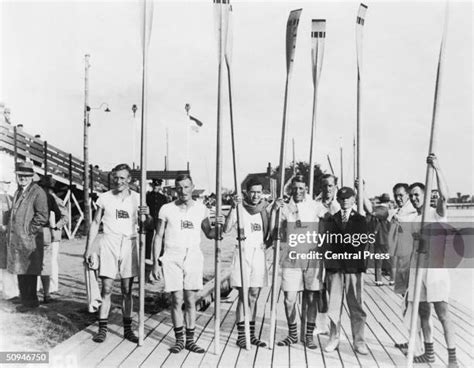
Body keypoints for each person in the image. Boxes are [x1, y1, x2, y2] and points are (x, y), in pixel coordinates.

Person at [152, 174, 223, 354]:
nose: (183, 191)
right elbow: (158, 236)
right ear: (175, 189)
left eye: (186, 187)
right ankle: (179, 340)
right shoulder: (166, 209)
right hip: (172, 255)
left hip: (192, 255)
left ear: (192, 187)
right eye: (179, 188)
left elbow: (210, 233)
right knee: (176, 299)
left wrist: (220, 226)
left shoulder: (201, 209)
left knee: (190, 300)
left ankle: (190, 340)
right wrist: (155, 263)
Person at [83, 163, 150, 343]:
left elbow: (148, 224)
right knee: (106, 288)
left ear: (129, 179)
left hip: (129, 242)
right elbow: (96, 223)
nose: (118, 181)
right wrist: (89, 248)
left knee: (127, 290)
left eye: (122, 178)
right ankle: (102, 328)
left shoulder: (138, 198)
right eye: (115, 177)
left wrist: (148, 215)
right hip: (109, 242)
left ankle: (128, 329)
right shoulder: (104, 198)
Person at [407, 154, 457, 367]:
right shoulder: (415, 218)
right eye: (412, 196)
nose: (414, 198)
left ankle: (452, 358)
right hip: (418, 269)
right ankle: (429, 353)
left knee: (443, 313)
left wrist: (437, 168)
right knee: (423, 312)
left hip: (436, 270)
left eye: (417, 194)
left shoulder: (436, 214)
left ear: (426, 194)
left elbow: (444, 197)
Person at [223, 178, 272, 349]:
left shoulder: (264, 209)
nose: (256, 195)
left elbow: (271, 234)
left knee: (254, 295)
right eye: (252, 191)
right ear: (246, 192)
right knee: (244, 295)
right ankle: (242, 336)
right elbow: (226, 229)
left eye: (259, 192)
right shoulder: (240, 208)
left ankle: (251, 334)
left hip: (258, 252)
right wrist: (232, 208)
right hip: (243, 251)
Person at [274, 175, 322, 349]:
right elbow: (274, 231)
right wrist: (274, 210)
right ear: (290, 189)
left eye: (301, 188)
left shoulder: (315, 206)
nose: (298, 191)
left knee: (311, 297)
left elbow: (333, 216)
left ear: (306, 189)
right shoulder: (285, 208)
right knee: (289, 299)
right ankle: (293, 335)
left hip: (311, 257)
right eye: (295, 188)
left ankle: (308, 335)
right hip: (292, 258)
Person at [321, 186, 369, 355]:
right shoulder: (332, 218)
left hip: (353, 268)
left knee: (356, 305)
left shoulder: (361, 220)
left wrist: (341, 243)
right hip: (335, 268)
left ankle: (359, 341)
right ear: (338, 200)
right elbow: (327, 243)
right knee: (334, 305)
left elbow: (360, 244)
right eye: (341, 198)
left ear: (354, 199)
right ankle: (334, 338)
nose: (345, 201)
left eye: (348, 198)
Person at [6, 162, 48, 311]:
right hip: (18, 240)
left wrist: (29, 231)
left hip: (30, 239)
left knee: (30, 271)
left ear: (31, 177)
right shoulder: (18, 192)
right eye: (20, 175)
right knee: (20, 269)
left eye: (26, 176)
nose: (22, 178)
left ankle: (31, 302)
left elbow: (42, 216)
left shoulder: (38, 192)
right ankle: (25, 300)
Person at [389, 183, 425, 356]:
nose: (399, 198)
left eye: (402, 195)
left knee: (413, 306)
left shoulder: (413, 214)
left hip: (411, 265)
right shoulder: (399, 212)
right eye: (396, 195)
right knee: (406, 305)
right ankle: (412, 340)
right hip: (401, 264)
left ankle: (417, 347)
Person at [313, 174, 340, 335]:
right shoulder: (316, 206)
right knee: (319, 289)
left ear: (335, 187)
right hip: (318, 253)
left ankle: (335, 328)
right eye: (325, 186)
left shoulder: (339, 205)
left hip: (335, 254)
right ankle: (321, 325)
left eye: (330, 185)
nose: (327, 189)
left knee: (334, 292)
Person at [38, 176, 68, 302]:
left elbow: (65, 217)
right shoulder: (51, 198)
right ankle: (46, 288)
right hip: (49, 234)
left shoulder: (56, 200)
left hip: (53, 235)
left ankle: (52, 287)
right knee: (48, 262)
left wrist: (56, 227)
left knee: (51, 262)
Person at [372, 193, 393, 286]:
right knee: (390, 259)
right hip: (387, 238)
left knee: (378, 260)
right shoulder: (388, 211)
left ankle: (378, 280)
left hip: (377, 238)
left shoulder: (375, 209)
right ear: (388, 201)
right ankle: (392, 279)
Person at [146, 179, 168, 261]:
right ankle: (147, 258)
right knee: (148, 239)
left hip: (160, 220)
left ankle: (160, 258)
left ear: (160, 186)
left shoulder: (163, 197)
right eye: (154, 185)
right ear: (152, 185)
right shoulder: (147, 196)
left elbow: (166, 210)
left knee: (161, 239)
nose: (156, 187)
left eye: (157, 185)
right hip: (150, 219)